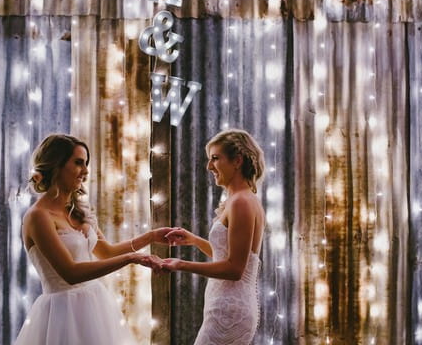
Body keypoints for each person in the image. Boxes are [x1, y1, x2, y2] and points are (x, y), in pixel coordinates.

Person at [14, 134, 169, 345]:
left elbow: (106, 252)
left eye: (86, 163)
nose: (85, 171)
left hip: (95, 305)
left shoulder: (79, 210)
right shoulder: (38, 216)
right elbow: (70, 273)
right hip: (61, 313)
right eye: (78, 163)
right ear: (56, 165)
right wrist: (132, 258)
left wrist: (151, 236)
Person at [162, 129, 266, 345]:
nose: (209, 167)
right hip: (227, 305)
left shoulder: (241, 202)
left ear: (237, 161)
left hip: (229, 312)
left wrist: (180, 264)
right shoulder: (240, 199)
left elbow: (235, 269)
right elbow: (228, 255)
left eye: (215, 159)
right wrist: (194, 240)